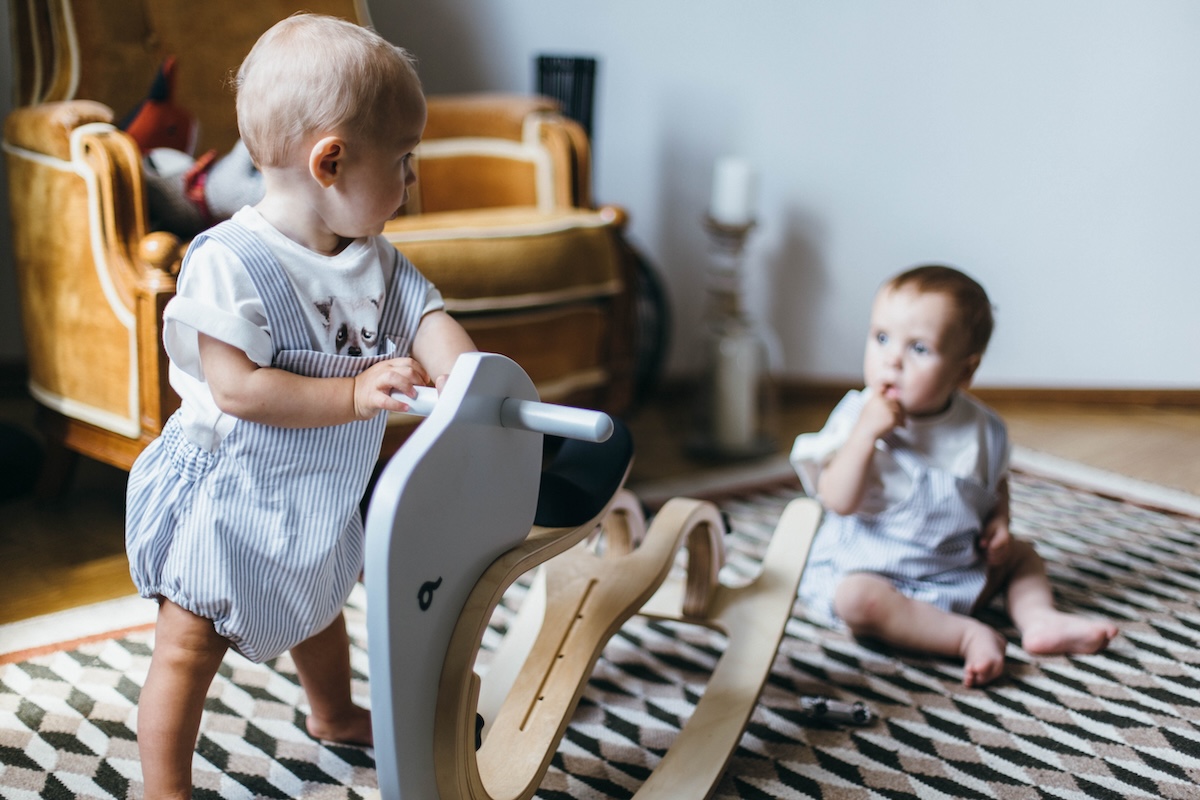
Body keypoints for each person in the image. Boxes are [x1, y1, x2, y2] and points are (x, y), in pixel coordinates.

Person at [124, 14, 477, 798]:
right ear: (332, 161)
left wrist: (467, 380)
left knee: (317, 603)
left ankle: (333, 711)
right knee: (187, 648)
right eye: (404, 161)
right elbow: (239, 389)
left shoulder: (375, 260)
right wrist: (353, 392)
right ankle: (164, 786)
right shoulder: (230, 262)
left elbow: (427, 321)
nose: (411, 180)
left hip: (316, 489)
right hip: (229, 494)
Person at [791, 264, 1116, 687]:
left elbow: (993, 482)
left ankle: (1039, 619)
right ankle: (966, 636)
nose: (892, 360)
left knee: (1022, 555)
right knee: (856, 601)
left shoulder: (982, 428)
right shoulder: (857, 415)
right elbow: (837, 498)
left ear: (964, 371)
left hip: (955, 567)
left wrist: (999, 523)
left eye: (919, 349)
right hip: (875, 572)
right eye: (882, 338)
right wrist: (865, 436)